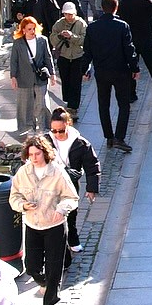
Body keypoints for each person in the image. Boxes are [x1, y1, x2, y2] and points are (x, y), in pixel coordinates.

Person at [9, 134, 78, 305]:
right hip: (33, 224)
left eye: (37, 154)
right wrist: (23, 206)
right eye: (30, 154)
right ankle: (45, 283)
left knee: (54, 267)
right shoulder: (23, 173)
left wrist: (62, 209)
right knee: (31, 266)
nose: (34, 158)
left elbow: (71, 197)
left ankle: (50, 304)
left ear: (45, 153)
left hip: (54, 225)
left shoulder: (57, 173)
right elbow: (14, 196)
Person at [81, 0, 140, 152]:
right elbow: (129, 49)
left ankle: (109, 136)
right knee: (124, 105)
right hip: (121, 71)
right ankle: (119, 137)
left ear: (101, 8)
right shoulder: (122, 26)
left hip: (102, 72)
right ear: (116, 8)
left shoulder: (92, 27)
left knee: (103, 105)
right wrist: (135, 68)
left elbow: (87, 51)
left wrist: (85, 69)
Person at [48, 109, 100, 254]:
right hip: (49, 184)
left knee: (71, 213)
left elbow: (92, 165)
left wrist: (91, 188)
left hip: (70, 183)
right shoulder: (46, 141)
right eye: (54, 131)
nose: (57, 134)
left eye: (61, 130)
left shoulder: (80, 143)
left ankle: (72, 239)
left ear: (68, 125)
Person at [9, 17, 56, 143]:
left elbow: (48, 57)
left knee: (42, 103)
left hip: (40, 77)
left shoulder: (42, 40)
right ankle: (27, 127)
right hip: (23, 77)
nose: (32, 31)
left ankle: (43, 126)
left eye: (34, 28)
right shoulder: (18, 43)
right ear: (23, 30)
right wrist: (13, 77)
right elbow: (14, 61)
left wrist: (52, 74)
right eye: (29, 29)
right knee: (25, 104)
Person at [49, 2, 88, 114]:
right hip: (64, 56)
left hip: (77, 56)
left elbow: (85, 40)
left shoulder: (81, 24)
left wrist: (72, 36)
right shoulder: (59, 24)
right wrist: (60, 36)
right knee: (65, 80)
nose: (69, 17)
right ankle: (68, 100)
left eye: (70, 14)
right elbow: (52, 39)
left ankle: (73, 105)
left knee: (75, 81)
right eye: (66, 14)